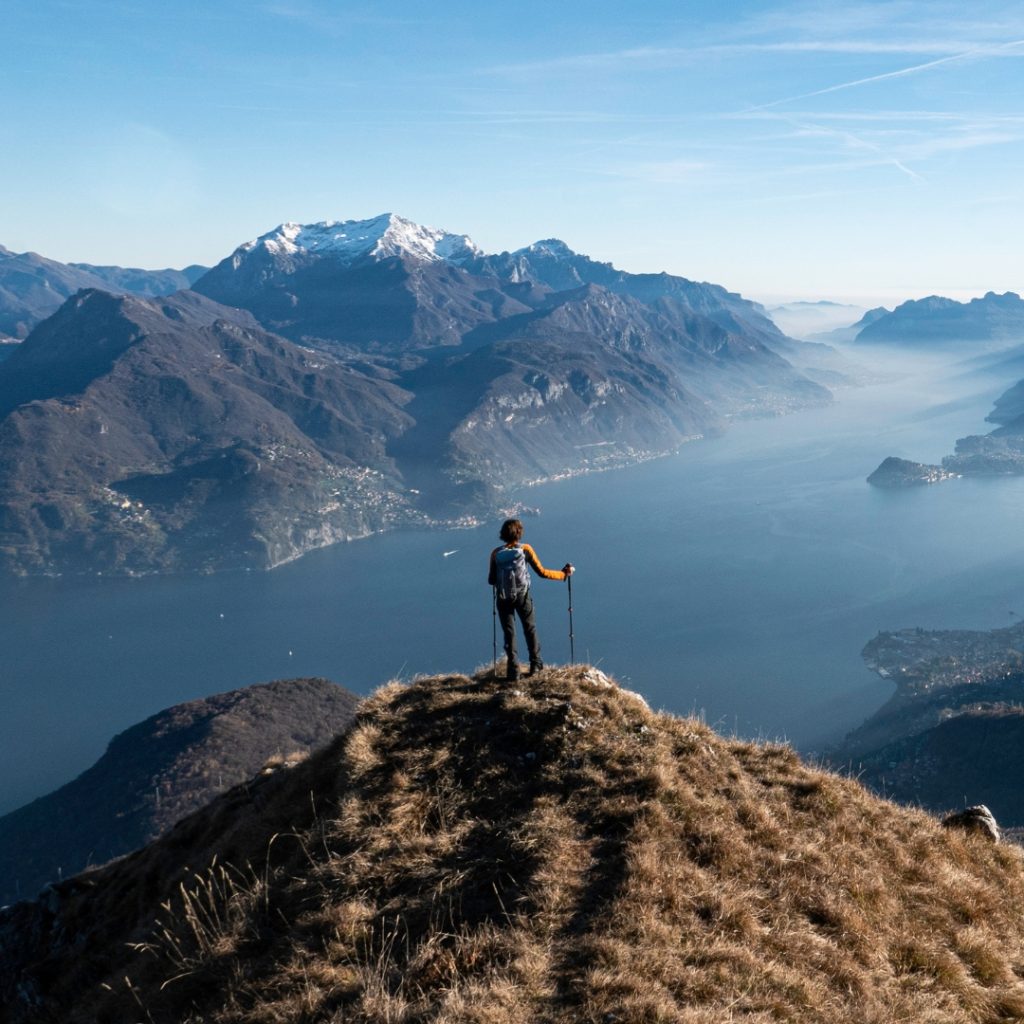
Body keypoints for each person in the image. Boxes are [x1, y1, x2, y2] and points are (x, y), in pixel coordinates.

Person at [488, 518, 574, 681]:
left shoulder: (495, 553)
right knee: (529, 629)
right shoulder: (525, 549)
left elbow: (491, 580)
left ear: (503, 534)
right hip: (522, 596)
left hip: (503, 598)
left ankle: (513, 672)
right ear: (519, 533)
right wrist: (563, 574)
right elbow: (542, 572)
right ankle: (536, 665)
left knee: (509, 633)